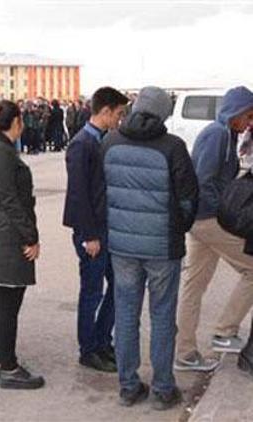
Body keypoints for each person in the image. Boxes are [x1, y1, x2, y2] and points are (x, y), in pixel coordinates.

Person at [102, 87, 198, 410]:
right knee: (162, 316)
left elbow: (102, 192)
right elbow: (188, 200)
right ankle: (162, 389)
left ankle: (128, 387)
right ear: (164, 112)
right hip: (162, 247)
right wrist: (176, 229)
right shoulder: (173, 147)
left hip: (122, 247)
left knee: (126, 315)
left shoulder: (111, 141)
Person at [176, 86, 253, 371]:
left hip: (201, 220)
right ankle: (224, 332)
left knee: (194, 286)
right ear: (236, 112)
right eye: (248, 116)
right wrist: (227, 213)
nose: (250, 122)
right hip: (208, 219)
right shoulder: (217, 134)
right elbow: (203, 181)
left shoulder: (228, 134)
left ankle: (185, 353)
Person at [0, 99, 44, 389]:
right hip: (7, 235)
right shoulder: (1, 152)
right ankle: (8, 367)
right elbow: (11, 200)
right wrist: (31, 236)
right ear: (16, 122)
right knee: (7, 305)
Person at [63, 87, 129, 373]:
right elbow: (78, 193)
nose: (120, 119)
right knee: (92, 292)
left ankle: (102, 341)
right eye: (119, 113)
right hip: (91, 232)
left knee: (118, 285)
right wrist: (89, 236)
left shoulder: (103, 140)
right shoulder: (82, 144)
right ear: (105, 111)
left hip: (107, 228)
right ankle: (88, 349)